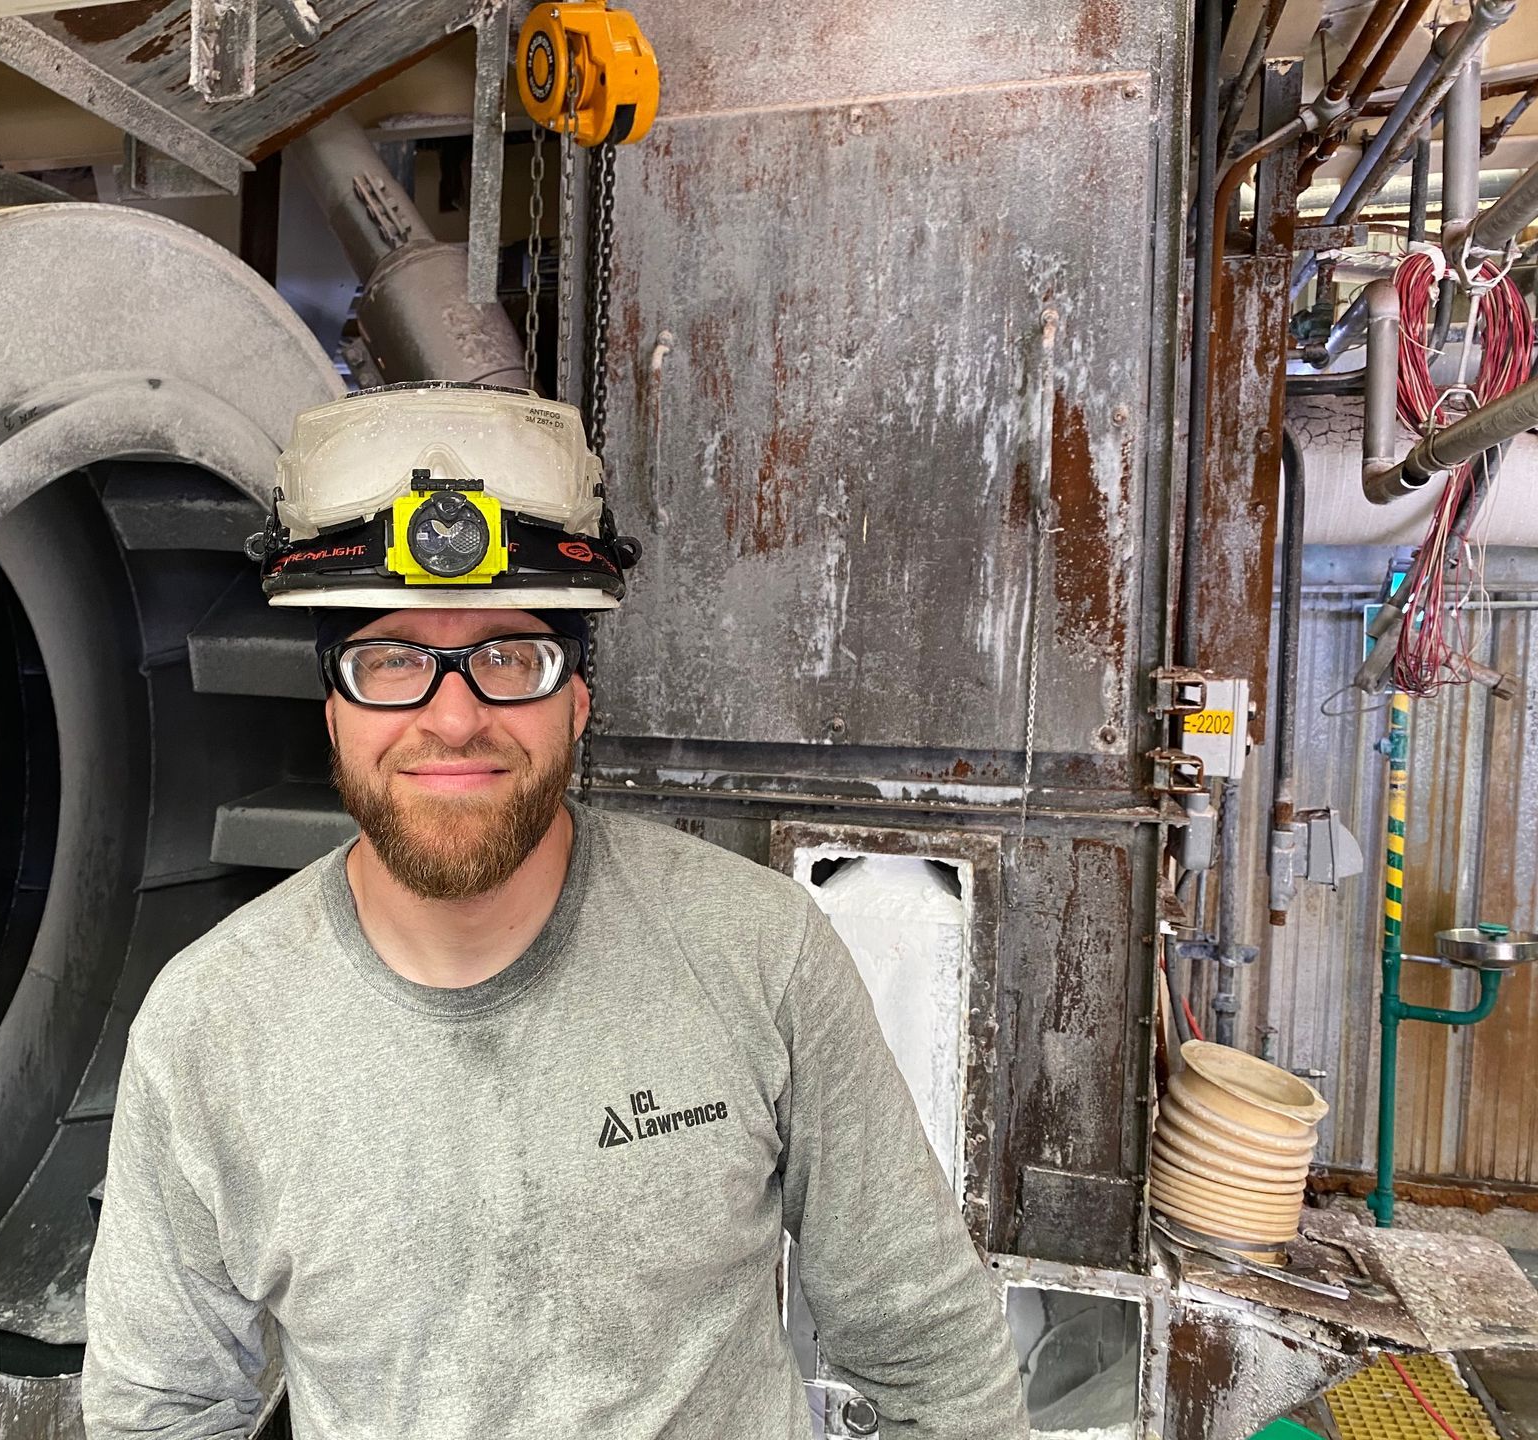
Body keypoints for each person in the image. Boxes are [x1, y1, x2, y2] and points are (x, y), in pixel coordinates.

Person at [81, 383, 1029, 1439]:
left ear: (576, 700)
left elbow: (928, 1348)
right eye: (392, 658)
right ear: (334, 712)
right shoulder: (213, 1026)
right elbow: (158, 1412)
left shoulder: (760, 957)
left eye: (509, 658)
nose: (453, 717)